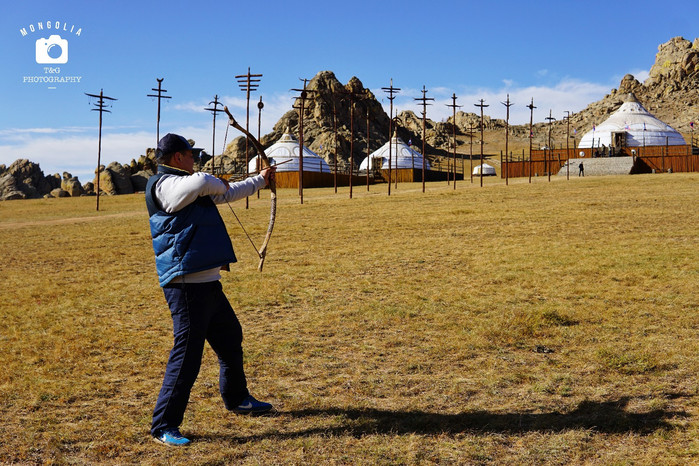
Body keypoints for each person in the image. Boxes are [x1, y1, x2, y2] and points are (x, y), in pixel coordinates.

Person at [145, 133, 276, 447]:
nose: (195, 159)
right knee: (187, 357)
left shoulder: (190, 186)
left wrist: (260, 179)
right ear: (177, 157)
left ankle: (237, 399)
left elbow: (226, 192)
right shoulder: (165, 186)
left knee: (230, 338)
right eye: (191, 154)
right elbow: (205, 182)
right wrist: (216, 179)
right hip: (186, 286)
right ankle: (163, 425)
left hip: (207, 283)